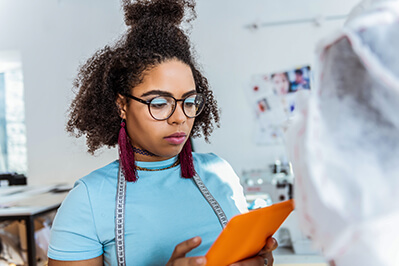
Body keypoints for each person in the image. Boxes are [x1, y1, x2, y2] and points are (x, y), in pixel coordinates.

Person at [47, 0, 278, 265]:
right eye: (159, 103)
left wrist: (263, 261)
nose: (179, 117)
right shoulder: (88, 200)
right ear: (122, 105)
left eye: (189, 101)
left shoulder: (220, 172)